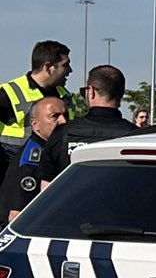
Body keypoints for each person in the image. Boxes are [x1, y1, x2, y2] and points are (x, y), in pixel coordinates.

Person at [45, 65, 136, 176]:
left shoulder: (63, 133)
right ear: (121, 93)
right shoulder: (136, 136)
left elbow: (46, 187)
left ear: (91, 91)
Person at [0, 41, 73, 172]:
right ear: (48, 67)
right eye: (65, 65)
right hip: (14, 171)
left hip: (54, 169)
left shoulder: (64, 96)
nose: (70, 70)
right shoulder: (8, 92)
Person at [2, 97, 69, 222]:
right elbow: (16, 216)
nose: (63, 121)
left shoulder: (51, 149)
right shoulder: (30, 162)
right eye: (54, 116)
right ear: (35, 124)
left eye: (66, 115)